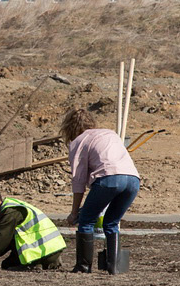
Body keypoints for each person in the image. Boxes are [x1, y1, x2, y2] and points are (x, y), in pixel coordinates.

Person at [60, 108, 140, 275]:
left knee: (86, 220)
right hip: (133, 180)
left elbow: (79, 181)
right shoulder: (110, 134)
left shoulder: (78, 142)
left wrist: (74, 212)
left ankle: (83, 266)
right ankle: (114, 267)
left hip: (109, 179)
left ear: (69, 127)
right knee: (111, 222)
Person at [0, 188, 66, 271]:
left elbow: (1, 243)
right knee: (8, 263)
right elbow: (8, 241)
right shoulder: (13, 205)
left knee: (7, 265)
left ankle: (36, 265)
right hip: (52, 250)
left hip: (43, 253)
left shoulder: (9, 214)